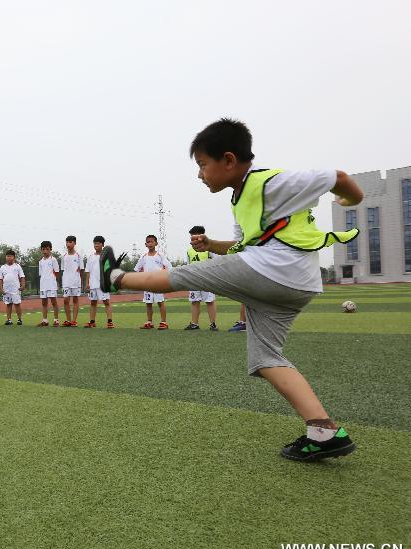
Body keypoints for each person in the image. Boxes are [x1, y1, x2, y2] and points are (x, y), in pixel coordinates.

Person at [101, 118, 362, 462]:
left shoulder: (270, 182)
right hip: (294, 283)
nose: (200, 175)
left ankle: (116, 278)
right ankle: (324, 432)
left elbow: (340, 179)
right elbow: (242, 248)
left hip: (275, 270)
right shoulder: (241, 200)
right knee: (266, 359)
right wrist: (211, 244)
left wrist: (350, 201)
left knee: (186, 275)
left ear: (228, 159)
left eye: (202, 165)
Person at [184, 225, 218, 331]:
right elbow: (188, 264)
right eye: (191, 236)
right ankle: (194, 324)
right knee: (194, 301)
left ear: (201, 235)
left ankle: (213, 324)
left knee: (209, 301)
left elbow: (216, 262)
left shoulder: (209, 248)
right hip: (193, 280)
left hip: (207, 279)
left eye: (194, 236)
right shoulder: (189, 250)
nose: (193, 238)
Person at [133, 235, 171, 330]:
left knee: (160, 302)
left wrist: (163, 275)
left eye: (152, 241)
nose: (150, 243)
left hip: (158, 283)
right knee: (148, 303)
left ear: (156, 243)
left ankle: (163, 322)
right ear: (145, 244)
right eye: (148, 242)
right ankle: (149, 322)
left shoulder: (160, 256)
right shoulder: (143, 257)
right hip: (147, 284)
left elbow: (169, 267)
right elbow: (137, 269)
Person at [83, 236, 114, 328]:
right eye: (95, 243)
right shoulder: (90, 257)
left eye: (98, 243)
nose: (96, 245)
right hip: (93, 284)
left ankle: (110, 322)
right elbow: (88, 271)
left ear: (102, 245)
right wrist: (87, 283)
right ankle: (92, 322)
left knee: (106, 302)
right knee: (93, 302)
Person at [60, 235, 85, 326]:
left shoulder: (78, 256)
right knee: (66, 300)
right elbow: (63, 269)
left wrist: (80, 280)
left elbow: (82, 269)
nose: (68, 244)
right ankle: (68, 320)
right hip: (66, 282)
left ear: (74, 243)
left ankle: (74, 321)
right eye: (67, 242)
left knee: (75, 300)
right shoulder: (64, 256)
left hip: (75, 282)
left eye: (70, 242)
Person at [0, 249, 26, 325]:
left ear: (14, 257)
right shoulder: (2, 267)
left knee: (17, 304)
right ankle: (9, 320)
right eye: (7, 256)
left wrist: (23, 285)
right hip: (6, 290)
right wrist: (1, 288)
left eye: (10, 256)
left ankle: (19, 319)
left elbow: (22, 277)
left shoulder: (18, 266)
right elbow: (0, 279)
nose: (8, 258)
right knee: (8, 304)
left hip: (16, 289)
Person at [37, 241, 61, 326]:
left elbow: (57, 272)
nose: (45, 251)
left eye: (47, 249)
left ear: (50, 249)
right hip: (43, 285)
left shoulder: (53, 259)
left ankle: (56, 320)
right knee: (44, 302)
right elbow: (41, 274)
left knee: (54, 302)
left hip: (51, 284)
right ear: (41, 250)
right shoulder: (40, 262)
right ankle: (45, 320)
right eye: (43, 249)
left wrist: (55, 282)